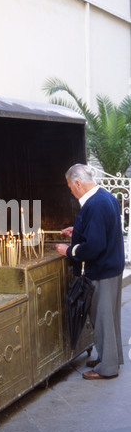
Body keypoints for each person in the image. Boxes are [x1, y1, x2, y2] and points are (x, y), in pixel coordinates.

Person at [56, 163, 125, 380]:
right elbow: (104, 228)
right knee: (110, 318)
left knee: (102, 319)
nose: (70, 190)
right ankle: (109, 358)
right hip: (113, 266)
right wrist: (78, 231)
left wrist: (69, 250)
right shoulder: (105, 197)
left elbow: (95, 246)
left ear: (77, 183)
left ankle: (108, 368)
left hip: (102, 270)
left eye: (69, 186)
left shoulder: (94, 205)